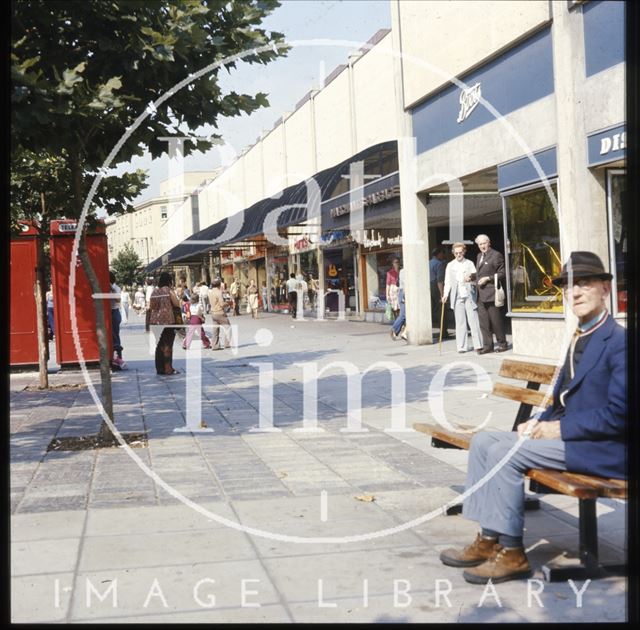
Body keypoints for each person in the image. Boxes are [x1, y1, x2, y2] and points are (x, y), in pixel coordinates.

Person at [439, 251, 626, 585]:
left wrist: (557, 428)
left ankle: (512, 554)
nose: (576, 293)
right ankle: (489, 539)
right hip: (576, 440)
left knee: (504, 453)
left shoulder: (620, 342)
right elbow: (562, 397)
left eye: (585, 284)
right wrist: (538, 420)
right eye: (569, 286)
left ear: (606, 289)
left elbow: (620, 416)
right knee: (484, 442)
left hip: (606, 450)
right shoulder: (580, 336)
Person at [441, 242, 483, 353]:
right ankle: (462, 346)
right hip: (457, 295)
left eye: (460, 252)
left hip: (469, 295)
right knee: (460, 322)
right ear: (453, 253)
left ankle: (478, 345)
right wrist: (445, 294)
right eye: (456, 253)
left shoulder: (469, 263)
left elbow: (476, 278)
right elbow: (448, 281)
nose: (458, 255)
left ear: (464, 252)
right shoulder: (450, 265)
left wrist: (471, 279)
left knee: (473, 320)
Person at [472, 234, 508, 354]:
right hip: (480, 294)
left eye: (484, 243)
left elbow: (502, 273)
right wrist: (471, 276)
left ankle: (502, 344)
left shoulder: (496, 255)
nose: (482, 246)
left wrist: (488, 278)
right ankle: (488, 346)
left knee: (496, 321)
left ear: (489, 243)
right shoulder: (478, 256)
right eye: (480, 244)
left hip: (492, 293)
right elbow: (479, 273)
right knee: (484, 323)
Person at [148, 272, 181, 375]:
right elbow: (177, 304)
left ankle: (159, 368)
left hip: (155, 322)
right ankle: (168, 368)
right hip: (168, 321)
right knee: (168, 345)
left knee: (159, 345)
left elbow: (152, 306)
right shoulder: (169, 291)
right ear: (169, 281)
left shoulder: (154, 292)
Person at [429, 247, 450, 339]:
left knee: (433, 310)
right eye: (442, 253)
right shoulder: (439, 264)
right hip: (436, 287)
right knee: (441, 310)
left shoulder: (428, 263)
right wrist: (442, 294)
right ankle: (443, 332)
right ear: (438, 254)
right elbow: (440, 281)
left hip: (429, 287)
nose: (443, 255)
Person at [208, 278, 233, 349]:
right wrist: (228, 303)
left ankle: (215, 345)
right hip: (220, 312)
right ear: (219, 284)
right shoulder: (219, 292)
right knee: (228, 327)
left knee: (215, 330)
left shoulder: (210, 292)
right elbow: (222, 304)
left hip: (213, 313)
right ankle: (227, 343)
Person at [109, 271, 126, 369]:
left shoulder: (116, 288)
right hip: (107, 312)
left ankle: (118, 359)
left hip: (114, 312)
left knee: (115, 336)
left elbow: (118, 300)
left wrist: (111, 289)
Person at [390, 267, 407, 341]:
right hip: (404, 293)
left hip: (402, 293)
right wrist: (404, 296)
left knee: (404, 315)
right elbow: (405, 284)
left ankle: (398, 331)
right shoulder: (405, 271)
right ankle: (396, 330)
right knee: (404, 315)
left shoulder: (402, 271)